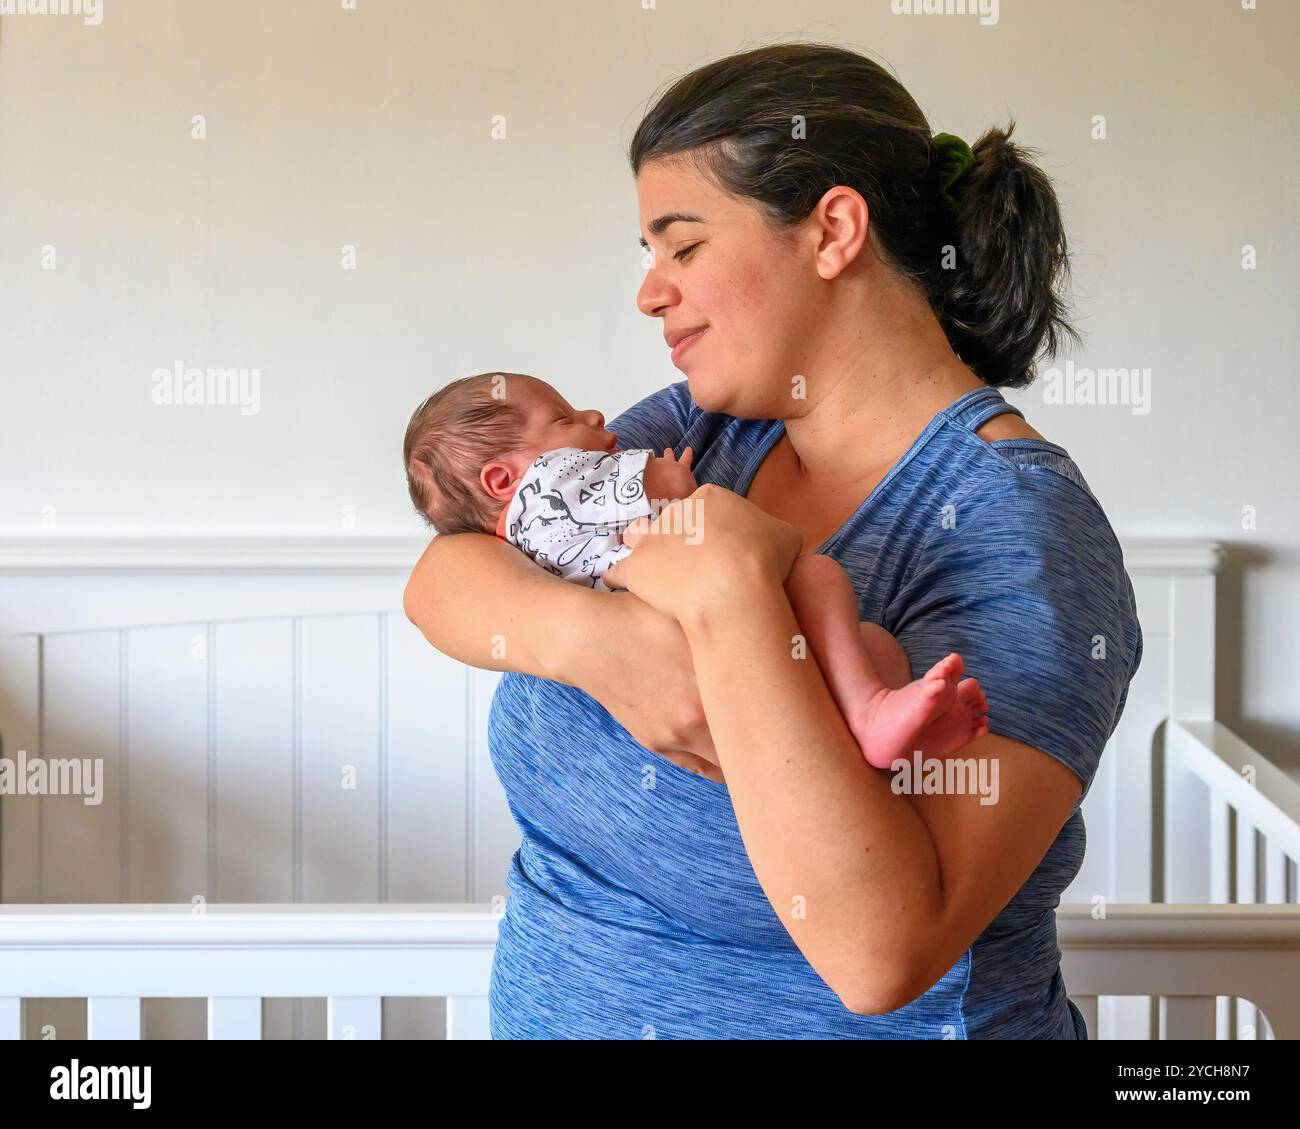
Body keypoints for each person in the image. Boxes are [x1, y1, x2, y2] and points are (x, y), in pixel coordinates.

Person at [404, 42, 1143, 1038]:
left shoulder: (1015, 528)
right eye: (648, 254)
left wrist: (731, 594)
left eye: (684, 245)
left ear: (833, 229)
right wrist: (601, 649)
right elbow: (449, 572)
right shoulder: (702, 430)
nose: (649, 291)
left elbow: (879, 953)